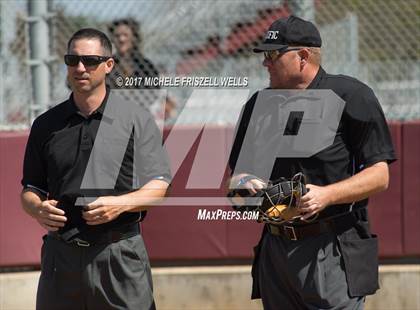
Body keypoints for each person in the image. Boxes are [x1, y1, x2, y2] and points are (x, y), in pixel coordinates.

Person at [228, 15, 396, 310]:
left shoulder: (351, 95)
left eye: (272, 54)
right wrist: (245, 187)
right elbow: (239, 175)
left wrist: (326, 195)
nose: (265, 63)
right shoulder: (258, 104)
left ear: (303, 56)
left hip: (331, 244)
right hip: (276, 247)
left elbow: (380, 175)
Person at [21, 28, 171, 310]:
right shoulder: (45, 124)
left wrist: (120, 204)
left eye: (90, 60)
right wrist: (37, 208)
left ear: (109, 65)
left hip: (119, 256)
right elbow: (30, 189)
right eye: (72, 60)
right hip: (61, 259)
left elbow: (160, 186)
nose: (80, 68)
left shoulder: (135, 119)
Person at [108, 18, 177, 121]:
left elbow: (153, 93)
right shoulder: (108, 65)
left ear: (134, 38)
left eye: (125, 35)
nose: (121, 39)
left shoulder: (145, 65)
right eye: (117, 36)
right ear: (113, 39)